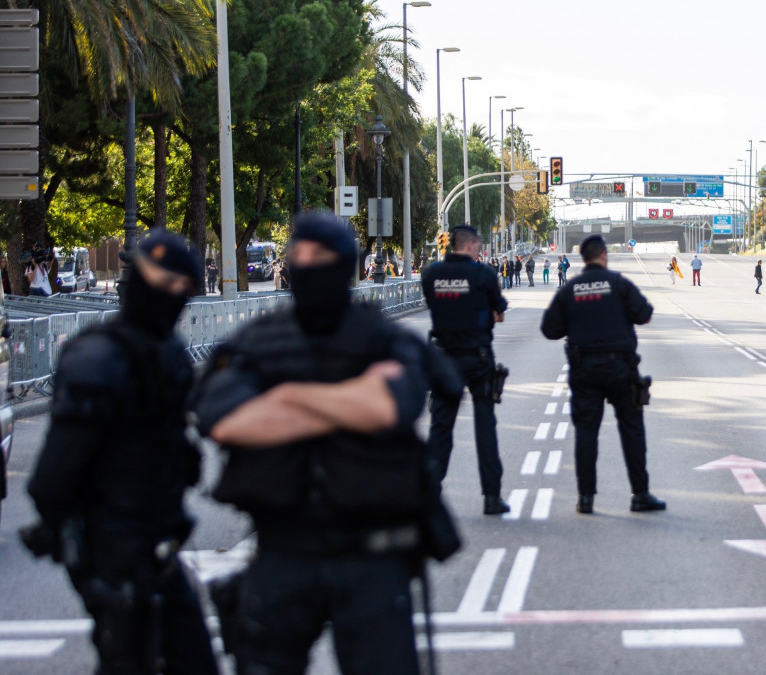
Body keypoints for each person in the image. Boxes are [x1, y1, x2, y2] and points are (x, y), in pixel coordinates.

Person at [192, 212, 460, 675]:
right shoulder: (257, 340)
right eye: (298, 253)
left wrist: (287, 395)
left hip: (372, 556)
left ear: (345, 264)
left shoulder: (384, 338)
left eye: (320, 255)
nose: (306, 263)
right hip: (282, 553)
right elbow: (226, 421)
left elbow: (388, 408)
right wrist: (348, 399)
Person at [25, 229, 218, 675]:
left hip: (157, 545)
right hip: (114, 551)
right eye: (161, 284)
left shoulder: (168, 354)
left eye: (179, 288)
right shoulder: (98, 358)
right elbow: (53, 477)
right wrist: (81, 545)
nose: (170, 297)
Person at [540, 235, 666, 515]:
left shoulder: (569, 290)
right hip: (621, 369)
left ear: (583, 258)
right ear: (604, 255)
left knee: (586, 433)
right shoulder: (619, 284)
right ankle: (640, 495)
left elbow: (549, 329)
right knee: (632, 430)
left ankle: (585, 499)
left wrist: (575, 322)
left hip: (584, 371)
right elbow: (644, 314)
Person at [422, 224, 511, 515]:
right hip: (478, 357)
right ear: (471, 245)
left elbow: (433, 305)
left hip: (443, 358)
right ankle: (491, 498)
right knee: (485, 426)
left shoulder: (432, 274)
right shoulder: (483, 274)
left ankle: (429, 496)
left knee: (440, 427)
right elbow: (499, 314)